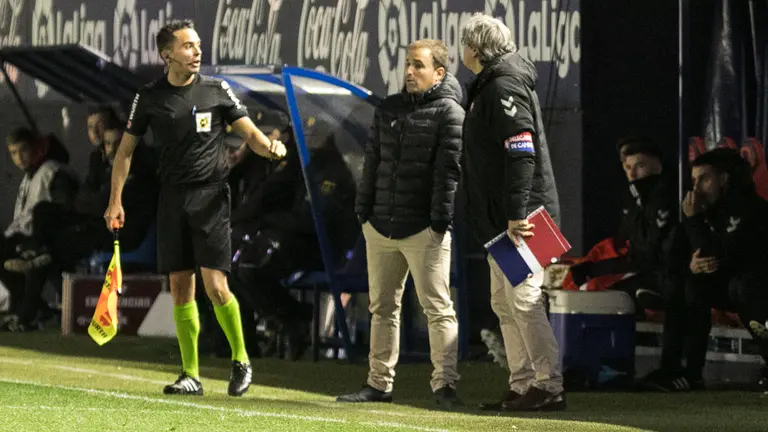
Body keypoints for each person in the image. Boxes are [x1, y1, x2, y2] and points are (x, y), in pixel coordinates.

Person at [103, 20, 286, 397]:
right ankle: (191, 375)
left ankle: (241, 359)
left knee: (216, 285)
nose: (197, 52)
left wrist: (268, 147)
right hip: (172, 198)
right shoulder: (149, 97)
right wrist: (115, 200)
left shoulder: (217, 90)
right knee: (179, 287)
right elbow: (124, 152)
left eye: (198, 45)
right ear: (166, 53)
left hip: (211, 197)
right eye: (188, 46)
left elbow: (249, 132)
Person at [336, 39, 464, 407]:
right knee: (382, 308)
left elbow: (448, 174)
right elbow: (371, 162)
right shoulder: (388, 108)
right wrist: (365, 212)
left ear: (439, 73)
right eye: (407, 64)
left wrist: (439, 222)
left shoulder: (450, 113)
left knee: (437, 308)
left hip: (424, 229)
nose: (409, 71)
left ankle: (444, 387)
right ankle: (379, 384)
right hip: (380, 226)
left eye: (418, 65)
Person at [460, 14, 565, 411]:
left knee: (523, 300)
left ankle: (548, 385)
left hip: (523, 219)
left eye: (464, 44)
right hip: (504, 217)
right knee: (504, 303)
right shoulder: (492, 84)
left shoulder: (503, 84)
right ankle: (523, 384)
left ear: (475, 48)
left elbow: (521, 150)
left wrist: (516, 212)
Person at [640, 148, 768, 392]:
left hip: (757, 288)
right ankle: (679, 371)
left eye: (705, 179)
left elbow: (716, 257)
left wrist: (693, 222)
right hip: (734, 286)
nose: (696, 188)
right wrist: (690, 266)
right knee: (684, 283)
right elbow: (674, 259)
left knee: (742, 286)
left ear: (724, 179)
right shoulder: (702, 210)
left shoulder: (745, 207)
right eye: (694, 180)